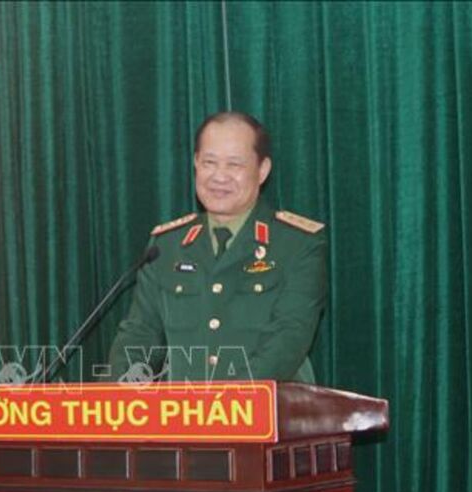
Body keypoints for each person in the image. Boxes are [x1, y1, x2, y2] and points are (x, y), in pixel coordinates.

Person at [108, 111, 327, 384]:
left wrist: (224, 401)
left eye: (234, 165)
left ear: (262, 170)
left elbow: (288, 339)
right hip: (183, 408)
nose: (219, 177)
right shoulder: (167, 246)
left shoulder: (297, 244)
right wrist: (117, 396)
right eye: (209, 163)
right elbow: (139, 335)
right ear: (195, 164)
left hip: (270, 408)